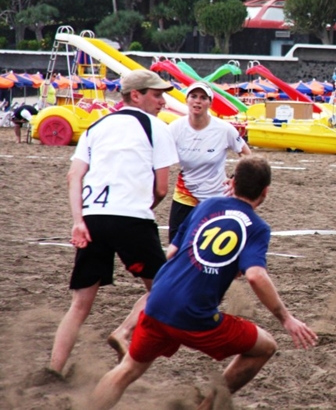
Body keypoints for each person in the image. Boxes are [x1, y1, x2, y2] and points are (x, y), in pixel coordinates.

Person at [89, 157, 318, 410]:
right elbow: (255, 275)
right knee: (265, 346)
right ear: (265, 191)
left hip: (156, 301)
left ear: (232, 183)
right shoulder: (257, 227)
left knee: (127, 369)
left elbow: (172, 253)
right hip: (193, 314)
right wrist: (286, 319)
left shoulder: (207, 205)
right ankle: (207, 407)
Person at [49, 69, 179, 375]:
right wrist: (141, 205)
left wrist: (78, 221)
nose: (162, 101)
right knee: (164, 290)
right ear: (136, 95)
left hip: (92, 218)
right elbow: (162, 189)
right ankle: (123, 332)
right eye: (156, 95)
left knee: (79, 306)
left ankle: (53, 369)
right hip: (132, 219)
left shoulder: (96, 126)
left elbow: (74, 176)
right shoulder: (156, 128)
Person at [168, 81, 251, 242]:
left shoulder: (224, 129)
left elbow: (247, 155)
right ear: (186, 100)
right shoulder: (175, 128)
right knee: (176, 243)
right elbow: (157, 154)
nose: (197, 101)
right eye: (193, 96)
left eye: (203, 98)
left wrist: (237, 179)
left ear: (210, 103)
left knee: (214, 245)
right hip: (185, 194)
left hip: (216, 196)